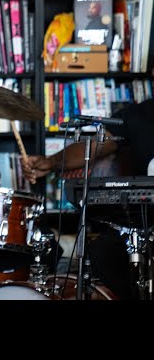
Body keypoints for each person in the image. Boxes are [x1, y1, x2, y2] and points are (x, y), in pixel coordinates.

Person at [22, 98, 154, 299]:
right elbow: (95, 145)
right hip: (144, 221)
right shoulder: (138, 114)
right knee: (103, 251)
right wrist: (52, 161)